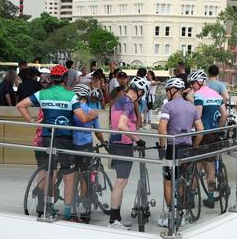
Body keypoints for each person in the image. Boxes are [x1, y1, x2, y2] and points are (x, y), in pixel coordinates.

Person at [16, 64, 98, 221]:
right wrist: (92, 116)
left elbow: (20, 105)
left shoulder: (42, 94)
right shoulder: (71, 96)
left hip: (47, 139)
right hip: (65, 140)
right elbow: (82, 118)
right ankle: (68, 213)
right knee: (69, 176)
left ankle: (49, 209)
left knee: (49, 174)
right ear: (66, 79)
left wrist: (33, 121)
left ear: (52, 79)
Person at [156, 77, 203, 227]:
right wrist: (195, 145)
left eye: (166, 91)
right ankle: (182, 215)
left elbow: (162, 129)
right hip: (187, 148)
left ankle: (172, 216)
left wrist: (162, 148)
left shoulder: (168, 107)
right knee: (182, 180)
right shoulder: (191, 107)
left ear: (172, 90)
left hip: (173, 148)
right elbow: (200, 130)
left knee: (168, 183)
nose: (166, 93)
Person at [108, 76, 150, 229]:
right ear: (139, 91)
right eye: (142, 93)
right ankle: (113, 220)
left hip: (116, 142)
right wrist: (137, 139)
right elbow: (121, 125)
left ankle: (116, 216)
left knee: (122, 181)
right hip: (123, 144)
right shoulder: (128, 103)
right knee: (120, 182)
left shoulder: (120, 100)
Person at [188, 69, 227, 208]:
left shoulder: (198, 95)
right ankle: (210, 198)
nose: (192, 86)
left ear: (200, 82)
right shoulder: (217, 95)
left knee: (196, 167)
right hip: (214, 134)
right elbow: (224, 115)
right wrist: (219, 129)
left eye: (193, 83)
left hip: (202, 134)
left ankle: (191, 198)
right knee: (210, 169)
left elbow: (197, 116)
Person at [71, 84, 107, 221]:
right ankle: (85, 208)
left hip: (72, 145)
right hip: (86, 145)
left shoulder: (72, 110)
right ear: (86, 96)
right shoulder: (91, 111)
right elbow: (97, 132)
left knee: (75, 172)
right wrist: (103, 142)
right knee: (86, 174)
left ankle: (73, 199)